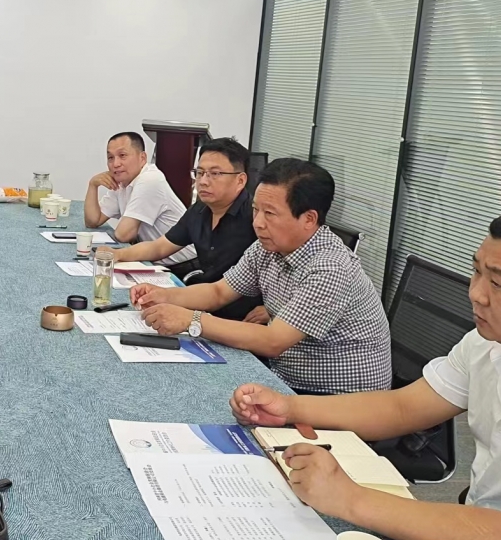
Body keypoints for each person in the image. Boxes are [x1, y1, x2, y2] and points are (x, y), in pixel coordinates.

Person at [230, 205, 501, 540]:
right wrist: (291, 408)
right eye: (476, 271)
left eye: (498, 283)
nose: (475, 293)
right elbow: (404, 408)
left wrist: (349, 498)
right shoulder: (487, 345)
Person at [132, 158, 391, 395]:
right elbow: (218, 292)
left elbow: (273, 341)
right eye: (256, 210)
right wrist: (164, 295)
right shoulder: (268, 247)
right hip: (282, 375)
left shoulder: (330, 268)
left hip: (334, 398)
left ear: (309, 219)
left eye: (270, 213)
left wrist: (192, 320)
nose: (257, 222)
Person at [110, 137, 259, 319]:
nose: (203, 181)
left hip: (244, 316)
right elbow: (160, 247)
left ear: (240, 180)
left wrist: (270, 310)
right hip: (204, 303)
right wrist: (117, 254)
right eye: (200, 172)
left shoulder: (256, 216)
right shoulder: (200, 210)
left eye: (215, 173)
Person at [84, 131, 196, 269]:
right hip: (154, 262)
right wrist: (93, 185)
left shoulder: (150, 180)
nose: (115, 164)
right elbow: (92, 221)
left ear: (142, 158)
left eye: (122, 155)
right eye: (110, 158)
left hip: (183, 267)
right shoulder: (122, 181)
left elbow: (124, 235)